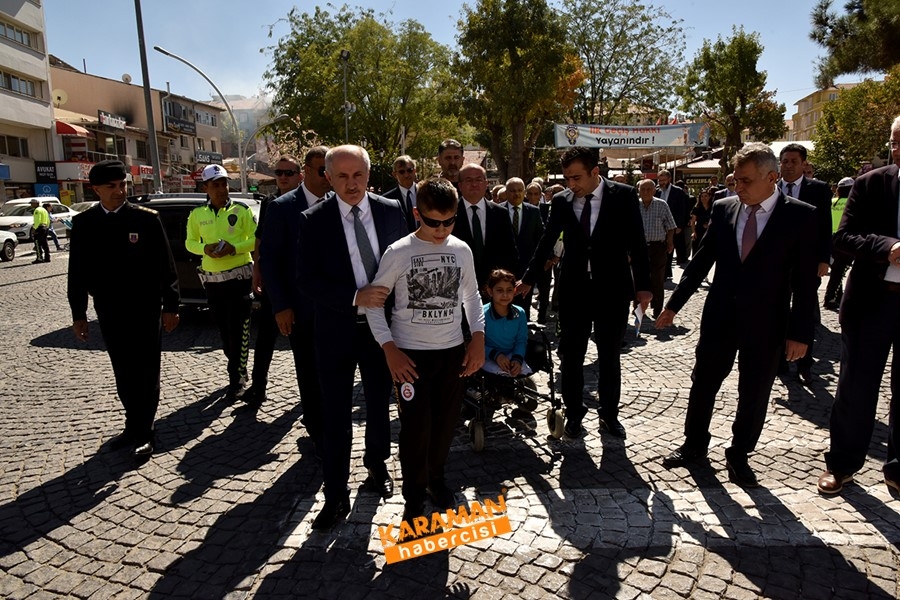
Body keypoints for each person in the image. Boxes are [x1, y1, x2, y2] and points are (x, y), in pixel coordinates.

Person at [656, 143, 818, 487]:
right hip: (719, 316)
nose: (737, 187)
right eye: (735, 180)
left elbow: (805, 283)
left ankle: (739, 453)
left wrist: (801, 333)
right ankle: (694, 445)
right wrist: (673, 305)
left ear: (771, 177)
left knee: (754, 391)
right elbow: (701, 261)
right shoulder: (725, 208)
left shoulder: (801, 216)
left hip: (768, 323)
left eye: (745, 181)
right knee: (703, 384)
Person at [297, 145, 408, 530]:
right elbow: (306, 280)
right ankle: (335, 494)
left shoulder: (392, 211)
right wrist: (353, 297)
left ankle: (377, 465)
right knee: (335, 414)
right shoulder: (313, 220)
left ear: (368, 174)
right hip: (336, 329)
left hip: (384, 331)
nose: (351, 183)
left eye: (357, 175)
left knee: (379, 404)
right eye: (342, 176)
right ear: (328, 177)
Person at [366, 177, 484, 523]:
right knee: (416, 431)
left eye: (449, 221)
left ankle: (437, 481)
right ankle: (413, 498)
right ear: (417, 214)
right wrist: (389, 348)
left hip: (451, 353)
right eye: (433, 222)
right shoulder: (399, 251)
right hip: (410, 356)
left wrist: (477, 335)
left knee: (446, 427)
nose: (441, 229)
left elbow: (471, 296)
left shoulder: (461, 249)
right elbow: (375, 303)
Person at [516, 146, 651, 439]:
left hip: (612, 290)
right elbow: (547, 241)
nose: (571, 185)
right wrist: (528, 278)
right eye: (567, 179)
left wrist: (643, 287)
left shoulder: (624, 196)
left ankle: (610, 416)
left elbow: (637, 244)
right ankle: (574, 414)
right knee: (572, 356)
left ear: (594, 172)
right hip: (574, 290)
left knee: (609, 355)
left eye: (576, 178)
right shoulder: (562, 201)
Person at [67, 160, 179, 458]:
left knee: (145, 369)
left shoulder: (146, 219)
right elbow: (76, 273)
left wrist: (171, 305)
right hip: (109, 308)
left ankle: (146, 430)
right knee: (123, 369)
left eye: (122, 185)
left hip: (145, 308)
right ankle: (132, 424)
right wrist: (78, 314)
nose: (119, 191)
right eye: (111, 186)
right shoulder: (84, 224)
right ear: (96, 190)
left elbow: (165, 267)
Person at [817, 116, 900, 496]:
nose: (898, 150)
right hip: (872, 303)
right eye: (895, 142)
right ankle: (843, 465)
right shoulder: (871, 184)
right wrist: (888, 248)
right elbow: (844, 237)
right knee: (856, 387)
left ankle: (897, 469)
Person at [258, 147, 330, 446]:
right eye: (322, 170)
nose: (328, 177)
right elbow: (270, 261)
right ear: (307, 171)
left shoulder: (341, 203)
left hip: (338, 308)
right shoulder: (282, 207)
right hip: (301, 310)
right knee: (310, 374)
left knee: (334, 373)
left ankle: (332, 425)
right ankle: (317, 434)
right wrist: (281, 306)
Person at [185, 164, 257, 400]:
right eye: (215, 184)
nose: (221, 189)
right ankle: (235, 366)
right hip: (213, 283)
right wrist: (204, 248)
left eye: (224, 183)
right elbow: (190, 243)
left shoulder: (242, 210)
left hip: (239, 280)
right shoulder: (197, 214)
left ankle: (237, 376)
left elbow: (256, 241)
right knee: (225, 332)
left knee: (239, 330)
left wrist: (234, 248)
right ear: (205, 188)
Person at [240, 155, 304, 406]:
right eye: (279, 173)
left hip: (299, 285)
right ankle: (258, 387)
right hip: (273, 282)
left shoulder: (306, 201)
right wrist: (257, 268)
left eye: (289, 173)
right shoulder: (269, 203)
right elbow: (260, 240)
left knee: (302, 346)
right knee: (264, 338)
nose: (284, 177)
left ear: (300, 174)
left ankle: (308, 396)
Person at [777, 143, 833, 384]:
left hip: (808, 262)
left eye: (793, 162)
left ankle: (804, 363)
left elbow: (825, 226)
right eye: (785, 161)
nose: (788, 166)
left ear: (803, 164)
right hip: (777, 264)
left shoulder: (818, 190)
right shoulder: (772, 187)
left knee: (804, 311)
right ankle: (779, 360)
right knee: (777, 310)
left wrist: (823, 259)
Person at [453, 163, 519, 294]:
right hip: (460, 290)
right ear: (460, 186)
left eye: (479, 179)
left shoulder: (501, 213)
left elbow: (510, 252)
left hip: (494, 290)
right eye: (469, 180)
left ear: (486, 183)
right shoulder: (450, 214)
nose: (474, 184)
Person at [502, 177, 543, 320]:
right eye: (512, 191)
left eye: (520, 190)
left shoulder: (533, 212)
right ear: (506, 193)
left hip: (526, 271)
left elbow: (540, 239)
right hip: (503, 270)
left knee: (523, 309)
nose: (516, 194)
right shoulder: (497, 211)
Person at [637, 179, 676, 319]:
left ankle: (657, 308)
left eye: (649, 189)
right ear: (639, 191)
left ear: (654, 191)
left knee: (657, 278)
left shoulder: (662, 205)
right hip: (639, 247)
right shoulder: (634, 205)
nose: (646, 192)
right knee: (639, 277)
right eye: (643, 189)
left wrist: (670, 242)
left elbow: (671, 226)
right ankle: (638, 308)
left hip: (657, 246)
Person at [482, 268, 531, 377]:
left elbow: (521, 340)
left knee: (519, 371)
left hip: (511, 354)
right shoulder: (482, 314)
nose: (505, 295)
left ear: (514, 291)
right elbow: (478, 342)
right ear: (490, 291)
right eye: (499, 290)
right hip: (488, 356)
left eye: (509, 290)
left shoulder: (520, 313)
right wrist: (496, 355)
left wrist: (517, 359)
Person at [822, 176, 855, 311]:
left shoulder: (832, 201)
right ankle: (830, 298)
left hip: (830, 240)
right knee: (839, 272)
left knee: (837, 270)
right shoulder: (853, 203)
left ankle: (837, 296)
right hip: (845, 241)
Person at [382, 155, 418, 232]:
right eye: (402, 172)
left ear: (415, 171)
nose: (406, 175)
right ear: (395, 175)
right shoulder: (387, 200)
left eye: (409, 170)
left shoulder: (426, 193)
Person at [690, 187, 714, 256]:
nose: (704, 198)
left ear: (709, 197)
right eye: (702, 196)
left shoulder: (713, 207)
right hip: (699, 231)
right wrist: (694, 232)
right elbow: (693, 221)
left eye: (706, 196)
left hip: (710, 231)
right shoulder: (697, 208)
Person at [30, 198, 50, 263]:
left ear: (36, 203)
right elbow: (48, 219)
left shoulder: (37, 210)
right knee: (45, 243)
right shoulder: (44, 209)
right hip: (45, 227)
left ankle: (39, 258)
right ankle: (47, 258)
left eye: (32, 203)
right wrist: (47, 227)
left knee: (37, 243)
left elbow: (37, 220)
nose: (31, 205)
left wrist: (34, 228)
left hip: (40, 228)